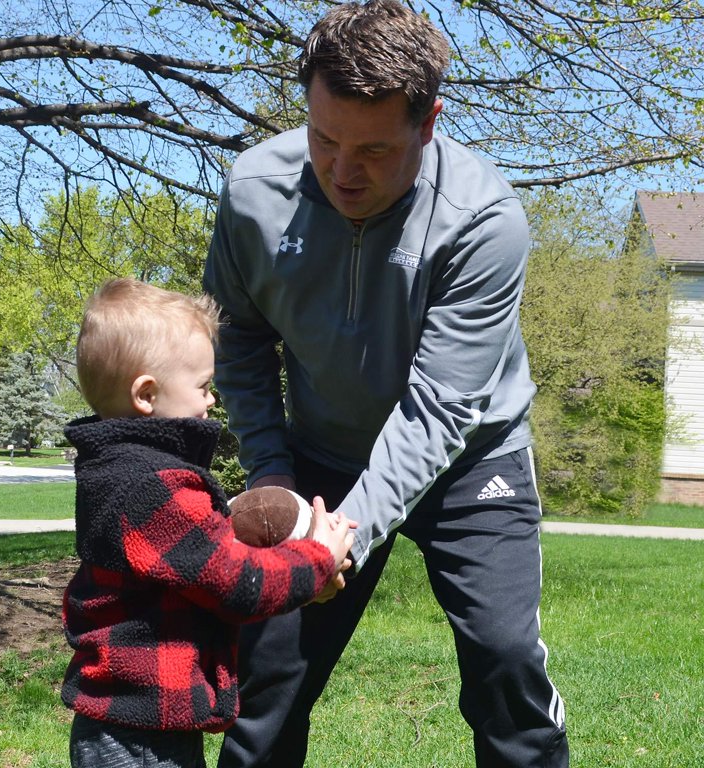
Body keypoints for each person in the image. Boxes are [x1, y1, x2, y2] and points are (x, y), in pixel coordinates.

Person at [203, 1, 570, 766]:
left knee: (504, 658)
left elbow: (439, 408)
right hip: (320, 459)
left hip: (473, 459)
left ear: (429, 121)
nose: (342, 171)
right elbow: (238, 339)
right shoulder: (251, 194)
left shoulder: (483, 221)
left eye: (372, 150)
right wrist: (272, 482)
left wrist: (341, 544)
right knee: (265, 677)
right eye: (323, 138)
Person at [61, 278, 355, 768]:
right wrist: (318, 559)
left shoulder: (117, 471)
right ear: (146, 394)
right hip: (140, 733)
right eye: (202, 386)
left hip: (136, 720)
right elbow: (238, 583)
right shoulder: (153, 488)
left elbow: (200, 561)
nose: (211, 401)